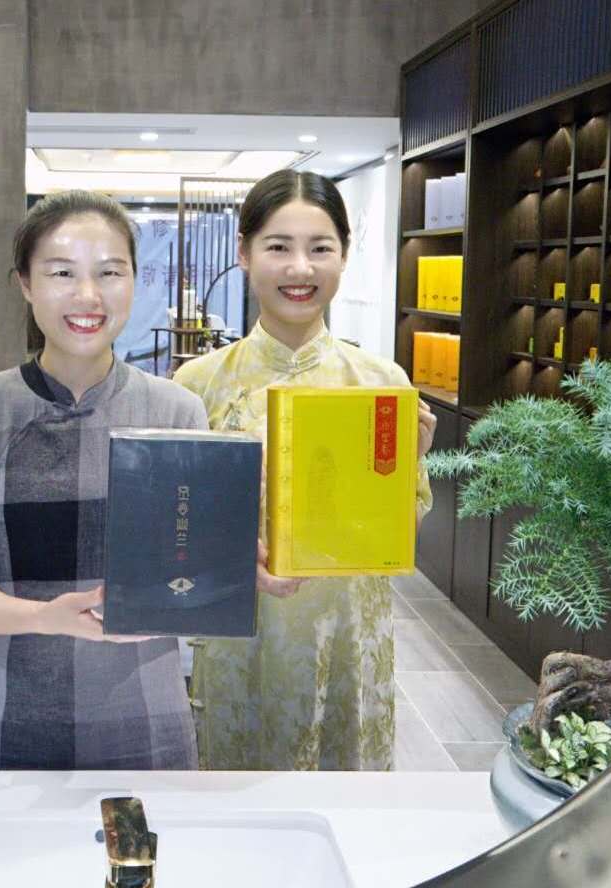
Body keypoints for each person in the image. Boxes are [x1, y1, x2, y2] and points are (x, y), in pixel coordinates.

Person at [0, 190, 207, 770]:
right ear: (25, 284)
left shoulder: (176, 412)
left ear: (135, 281)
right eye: (62, 273)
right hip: (1, 723)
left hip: (144, 720)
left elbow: (190, 573)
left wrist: (230, 566)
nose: (88, 296)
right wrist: (43, 616)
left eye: (110, 272)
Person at [172, 169, 437, 771]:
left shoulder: (381, 384)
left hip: (347, 633)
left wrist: (406, 466)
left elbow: (401, 538)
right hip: (242, 634)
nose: (300, 268)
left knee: (346, 800)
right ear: (244, 252)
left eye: (320, 248)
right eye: (278, 247)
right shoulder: (197, 385)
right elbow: (176, 533)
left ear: (344, 255)